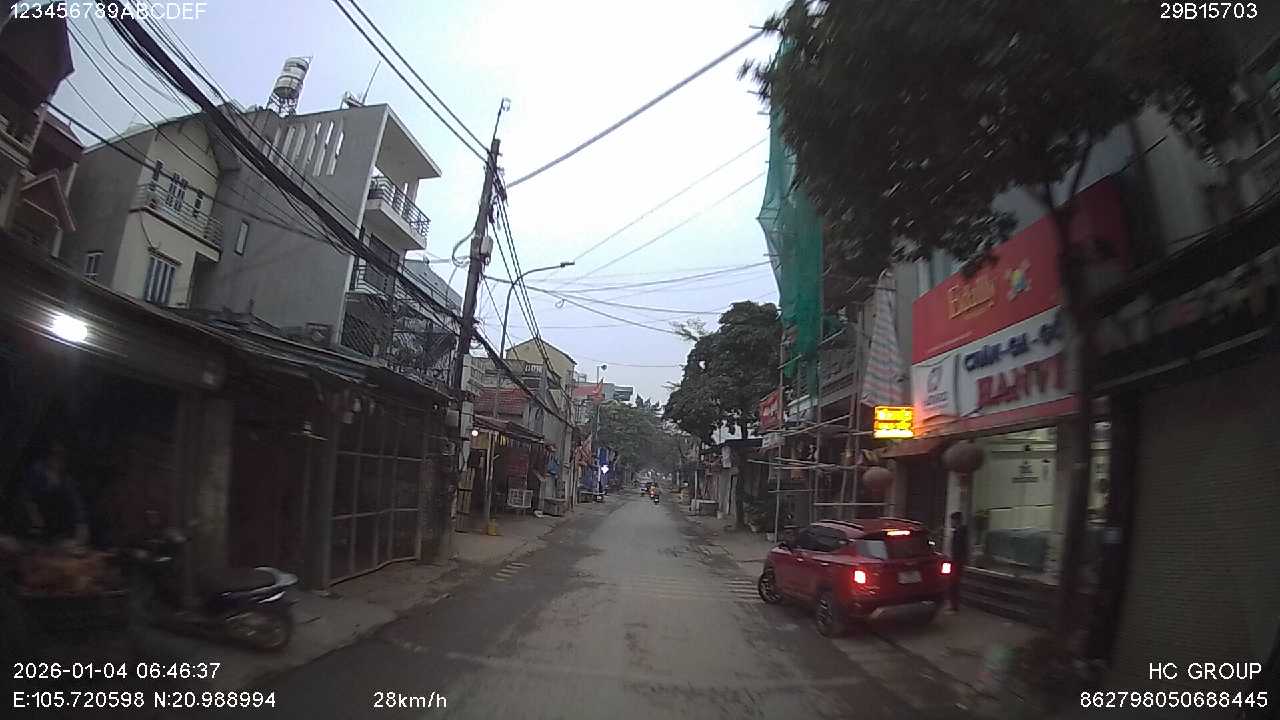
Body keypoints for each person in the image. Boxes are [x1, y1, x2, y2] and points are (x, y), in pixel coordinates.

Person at [15, 443, 88, 546]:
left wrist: (81, 524)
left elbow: (77, 504)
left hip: (52, 530)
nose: (58, 461)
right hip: (29, 523)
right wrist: (34, 516)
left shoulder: (66, 480)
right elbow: (26, 497)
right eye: (55, 456)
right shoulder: (37, 471)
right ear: (49, 457)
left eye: (62, 457)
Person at [948, 510, 969, 612]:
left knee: (953, 583)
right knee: (954, 583)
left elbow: (958, 548)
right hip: (958, 561)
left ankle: (954, 606)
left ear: (956, 520)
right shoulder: (961, 531)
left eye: (952, 520)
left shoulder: (959, 532)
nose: (951, 523)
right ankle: (954, 605)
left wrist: (954, 560)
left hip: (957, 561)